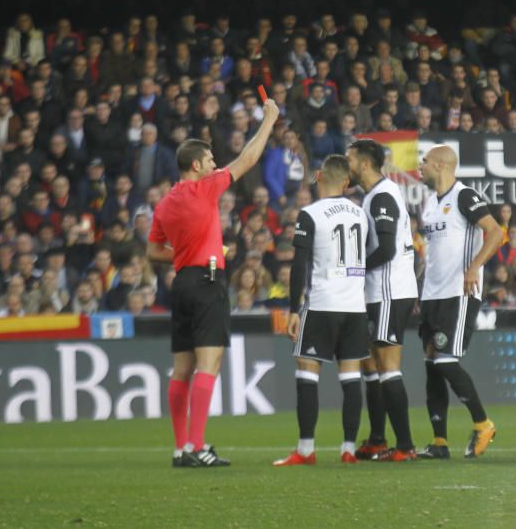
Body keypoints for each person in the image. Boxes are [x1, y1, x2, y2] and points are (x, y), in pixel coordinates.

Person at [147, 98, 280, 468]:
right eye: (208, 162)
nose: (214, 166)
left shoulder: (165, 204)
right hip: (206, 282)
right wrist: (268, 120)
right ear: (195, 166)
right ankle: (197, 446)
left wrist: (183, 254)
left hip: (184, 282)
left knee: (182, 368)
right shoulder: (203, 189)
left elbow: (153, 251)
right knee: (210, 362)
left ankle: (179, 449)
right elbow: (248, 159)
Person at [275, 155, 370, 466]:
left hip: (322, 304)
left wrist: (293, 309)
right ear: (346, 182)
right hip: (355, 306)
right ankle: (348, 449)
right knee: (351, 376)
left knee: (307, 371)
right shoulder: (360, 214)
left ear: (318, 176)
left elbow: (299, 264)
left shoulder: (310, 213)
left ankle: (305, 450)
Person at [417, 144, 503, 459]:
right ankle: (439, 443)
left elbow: (495, 232)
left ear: (441, 165)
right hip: (432, 295)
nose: (420, 167)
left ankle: (483, 424)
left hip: (459, 292)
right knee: (432, 365)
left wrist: (474, 268)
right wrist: (420, 287)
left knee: (445, 360)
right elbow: (433, 254)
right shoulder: (429, 204)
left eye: (424, 162)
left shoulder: (464, 196)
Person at [346, 140, 419, 462]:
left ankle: (405, 446)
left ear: (363, 164)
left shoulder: (382, 196)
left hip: (389, 291)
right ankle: (377, 439)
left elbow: (387, 250)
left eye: (349, 158)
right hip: (378, 292)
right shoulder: (374, 196)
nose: (345, 164)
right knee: (373, 367)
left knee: (388, 368)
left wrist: (353, 269)